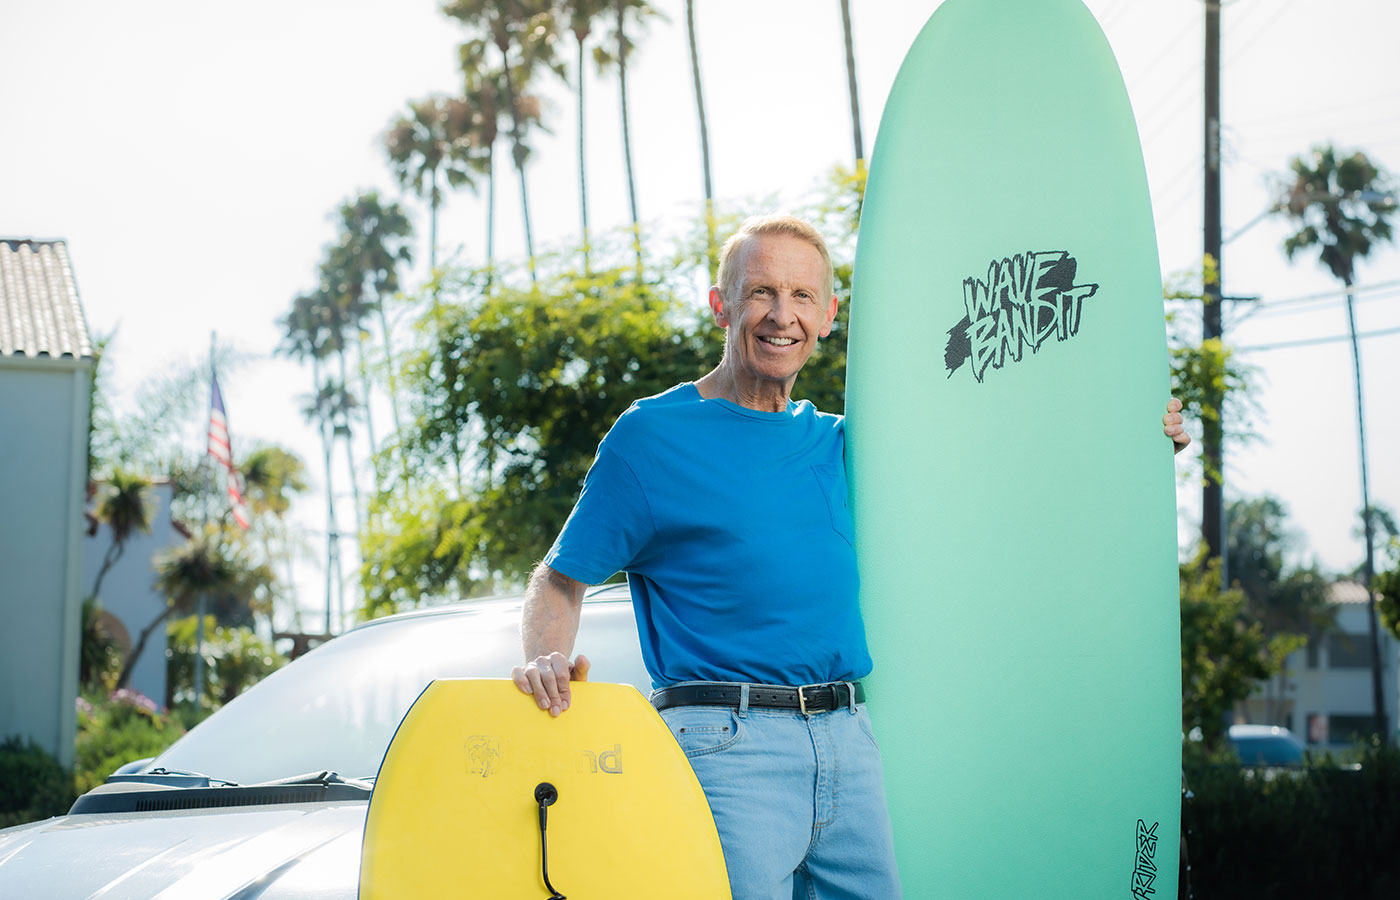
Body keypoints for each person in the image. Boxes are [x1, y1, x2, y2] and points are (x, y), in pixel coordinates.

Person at [512, 214, 1191, 900]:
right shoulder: (652, 437)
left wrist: (1134, 434)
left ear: (830, 316)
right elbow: (560, 580)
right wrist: (545, 655)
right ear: (722, 304)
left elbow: (1000, 475)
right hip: (726, 747)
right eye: (761, 293)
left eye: (803, 297)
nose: (783, 315)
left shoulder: (844, 444)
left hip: (850, 739)